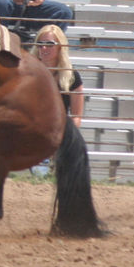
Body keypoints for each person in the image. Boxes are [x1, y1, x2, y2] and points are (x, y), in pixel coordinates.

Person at [29, 24, 84, 176]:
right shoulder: (28, 73)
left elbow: (77, 116)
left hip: (59, 130)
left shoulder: (72, 77)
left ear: (60, 46)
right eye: (40, 44)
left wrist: (65, 137)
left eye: (50, 44)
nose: (44, 48)